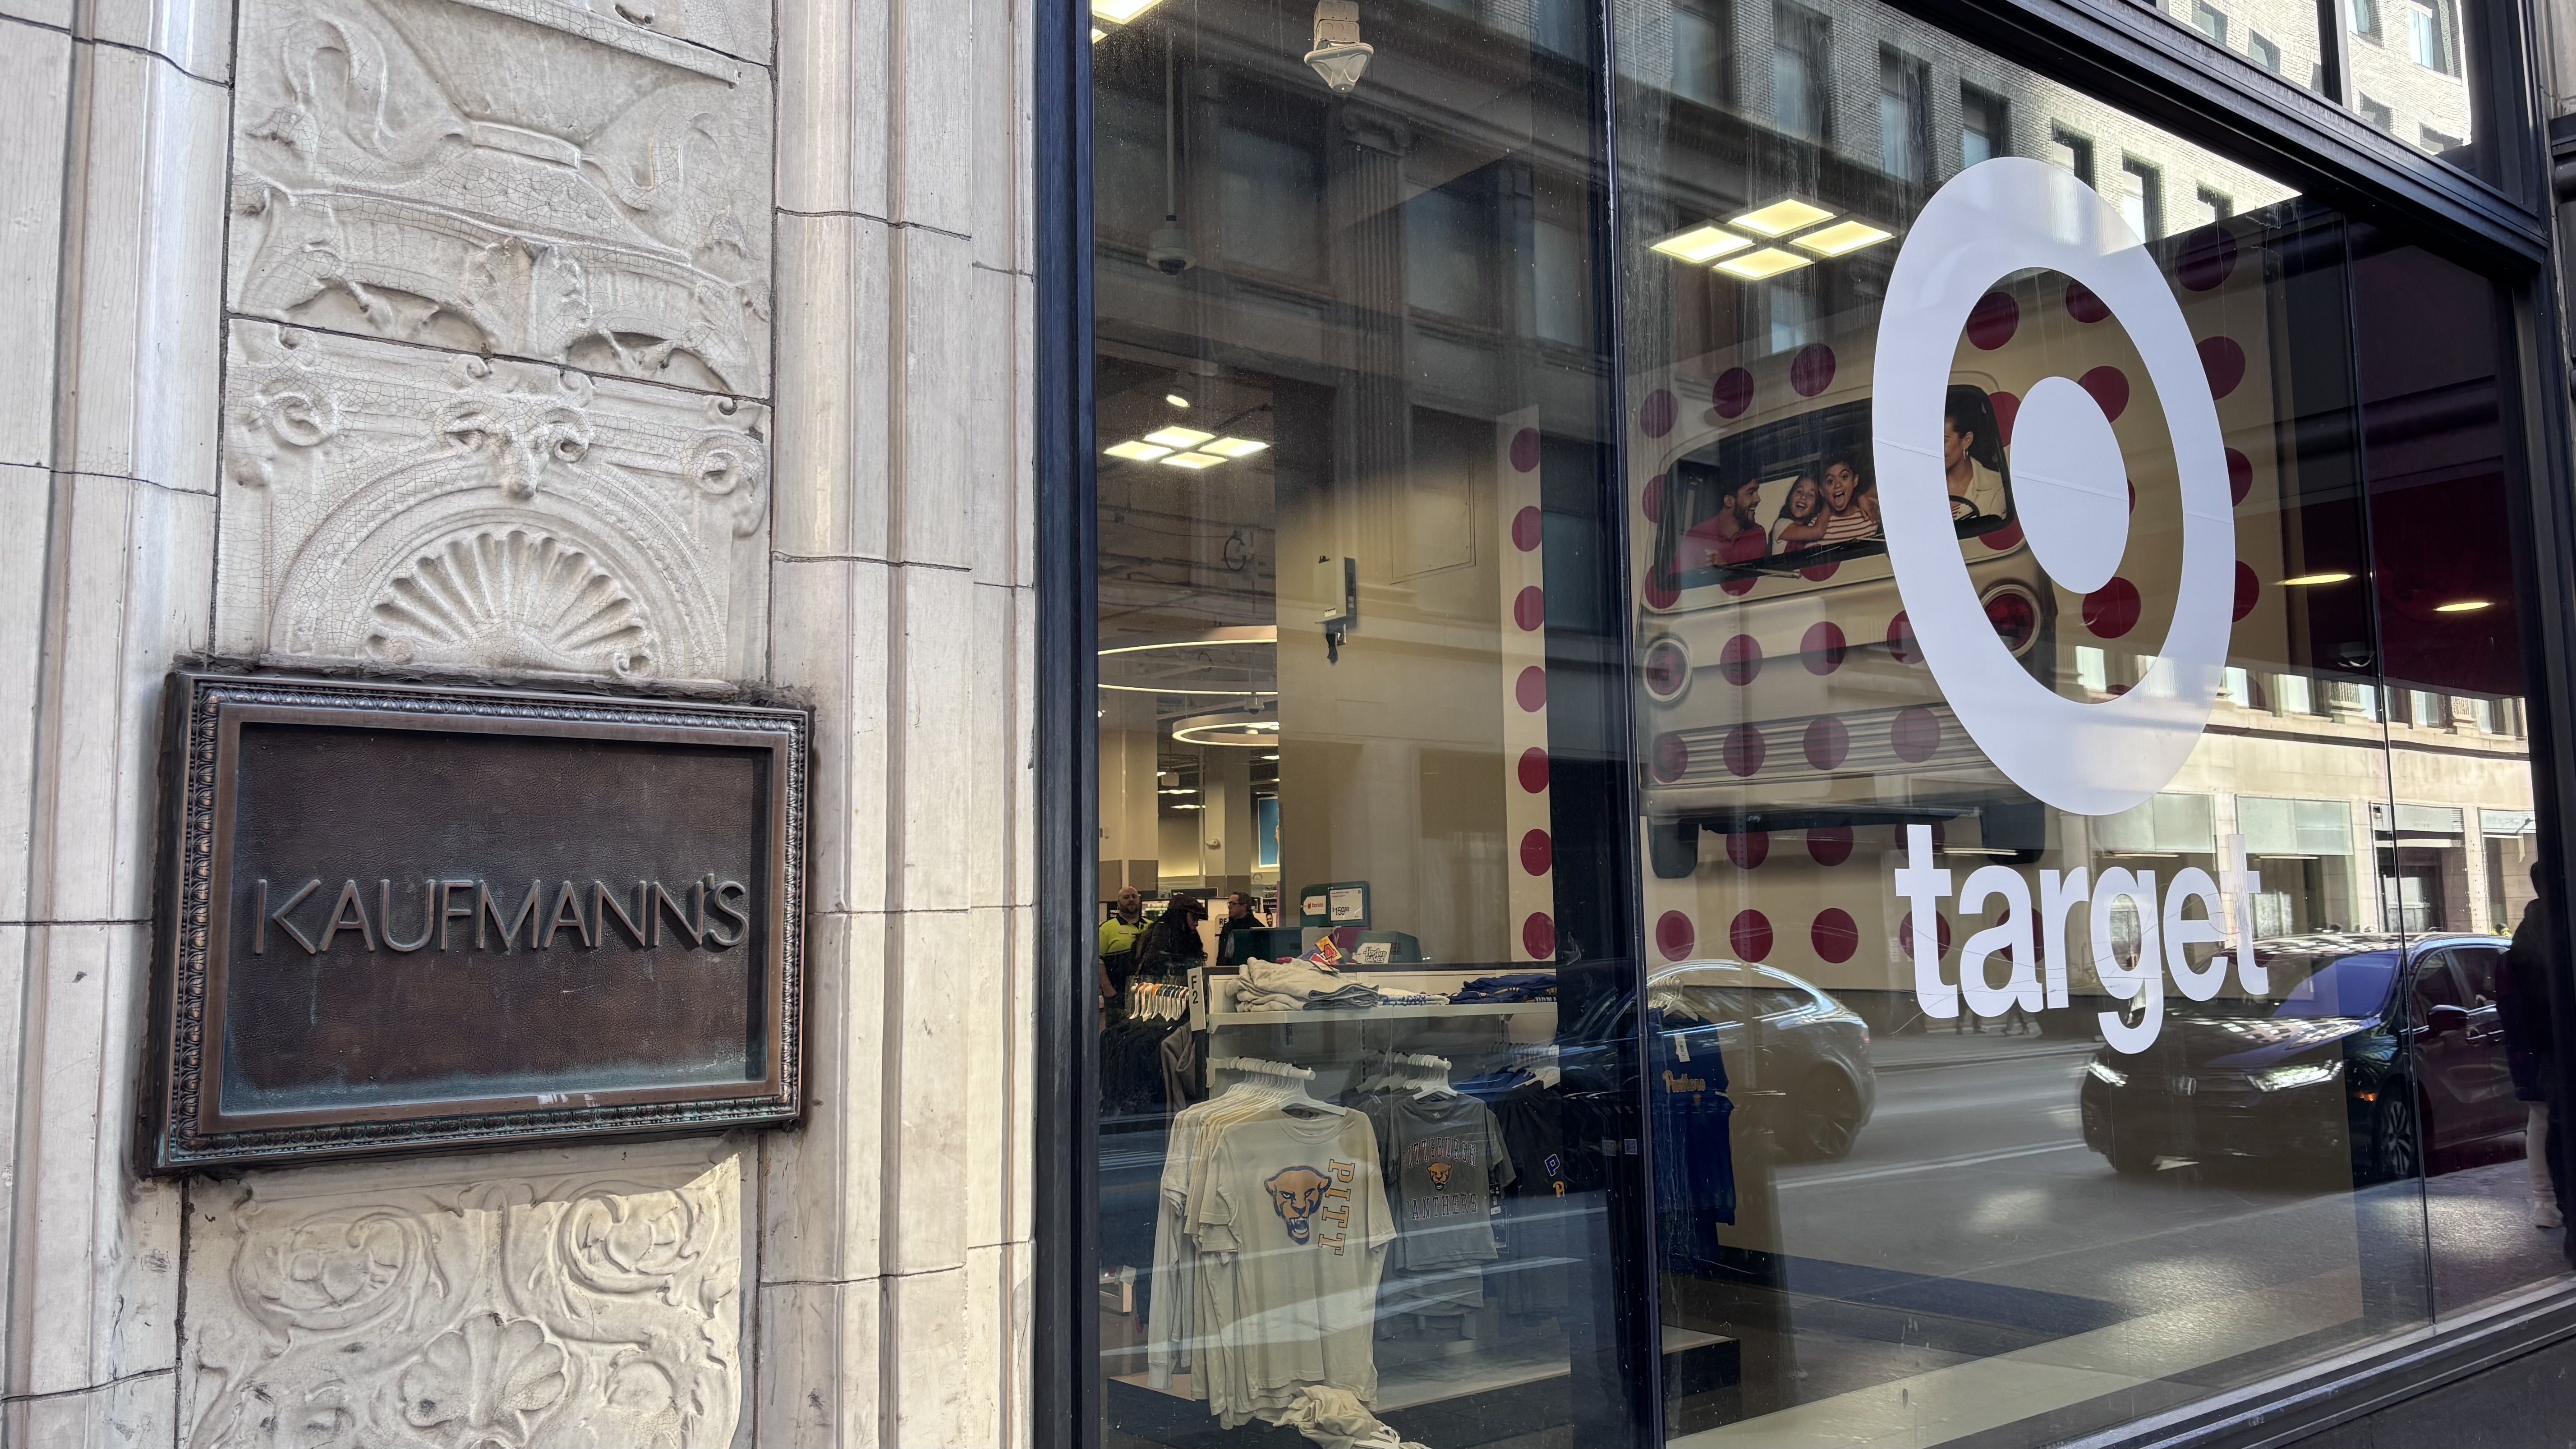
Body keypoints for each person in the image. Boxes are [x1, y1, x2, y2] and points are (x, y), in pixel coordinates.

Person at [2501, 865, 2566, 1233]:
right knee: (2545, 1119)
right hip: (2548, 1045)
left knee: (2540, 1120)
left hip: (2533, 1045)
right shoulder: (2550, 928)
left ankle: (2546, 1201)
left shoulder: (2527, 931)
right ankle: (2548, 1200)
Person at [1943, 386, 2010, 523]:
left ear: (1967, 440)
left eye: (1944, 441)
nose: (1934, 449)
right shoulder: (1922, 483)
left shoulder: (1996, 486)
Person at [1683, 475, 1773, 566]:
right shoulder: (1698, 534)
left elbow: (1755, 579)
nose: (1758, 499)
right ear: (1729, 501)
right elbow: (1678, 576)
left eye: (1757, 492)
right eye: (1751, 493)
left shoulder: (1757, 533)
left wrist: (1725, 569)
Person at [1134, 891, 1210, 982]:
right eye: (1194, 917)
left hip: (1175, 987)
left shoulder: (1187, 933)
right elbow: (1154, 964)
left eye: (1198, 919)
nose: (1196, 923)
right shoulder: (1163, 931)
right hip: (1165, 988)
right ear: (1181, 916)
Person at [1816, 453, 1881, 544]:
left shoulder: (1871, 513)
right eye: (1830, 481)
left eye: (1844, 477)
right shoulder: (1816, 525)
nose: (1838, 485)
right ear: (1822, 491)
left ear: (1855, 481)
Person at [1098, 887, 1148, 1002]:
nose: (1131, 900)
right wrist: (1109, 990)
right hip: (1117, 997)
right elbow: (1097, 962)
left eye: (1134, 897)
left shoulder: (1151, 927)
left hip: (1147, 997)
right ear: (1119, 904)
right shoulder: (1106, 929)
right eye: (1126, 897)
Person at [1770, 473, 1826, 552]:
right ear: (1790, 497)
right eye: (1799, 492)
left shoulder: (1812, 530)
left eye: (1811, 495)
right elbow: (1818, 532)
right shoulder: (1781, 525)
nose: (1803, 497)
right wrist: (1828, 499)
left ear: (1816, 506)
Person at [1216, 891, 1267, 961]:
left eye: (1233, 904)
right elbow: (1221, 954)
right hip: (1226, 970)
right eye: (1229, 904)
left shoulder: (1257, 928)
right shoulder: (1227, 927)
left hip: (1249, 969)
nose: (1229, 907)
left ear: (1244, 907)